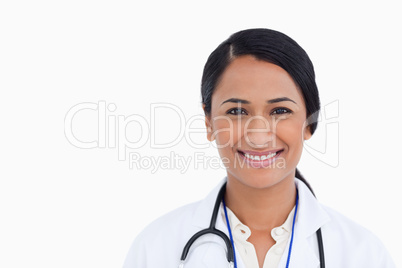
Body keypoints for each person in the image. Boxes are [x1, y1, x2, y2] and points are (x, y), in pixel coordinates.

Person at [122, 28, 395, 268]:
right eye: (237, 111)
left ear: (310, 122)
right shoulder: (156, 249)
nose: (258, 135)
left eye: (280, 110)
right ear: (208, 122)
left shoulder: (363, 255)